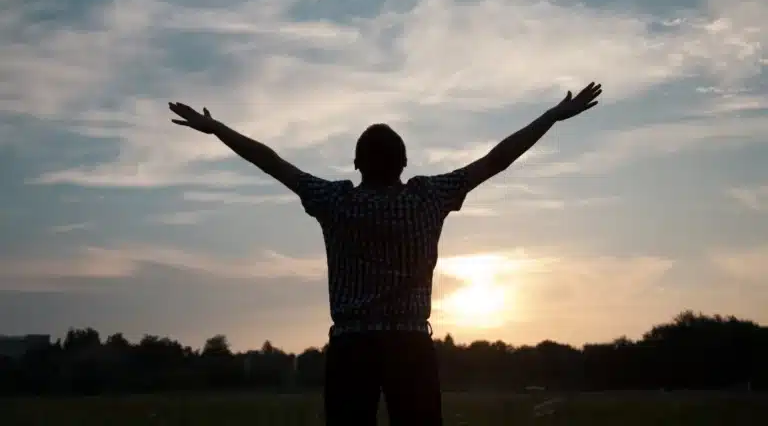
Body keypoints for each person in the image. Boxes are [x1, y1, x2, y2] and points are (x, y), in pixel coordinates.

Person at [169, 82, 602, 425]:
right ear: (405, 162)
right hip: (410, 346)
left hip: (351, 347)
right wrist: (551, 117)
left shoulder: (335, 201)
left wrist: (218, 128)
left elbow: (272, 162)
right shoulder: (429, 197)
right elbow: (497, 159)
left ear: (356, 163)